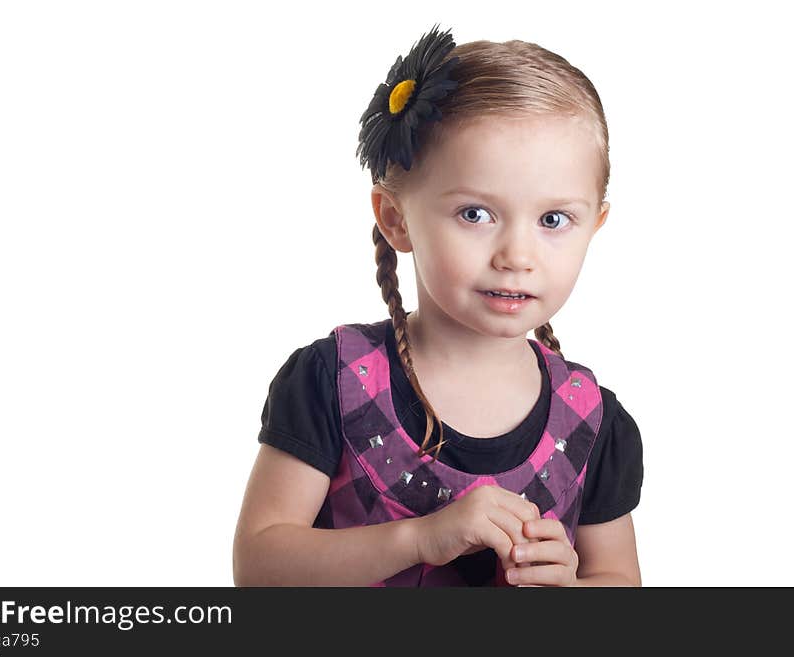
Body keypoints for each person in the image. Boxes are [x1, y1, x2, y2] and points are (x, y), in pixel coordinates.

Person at [233, 24, 643, 587]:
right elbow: (260, 568)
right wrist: (422, 537)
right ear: (396, 218)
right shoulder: (332, 381)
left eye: (553, 220)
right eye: (475, 213)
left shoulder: (595, 424)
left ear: (594, 226)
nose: (517, 256)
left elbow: (620, 579)